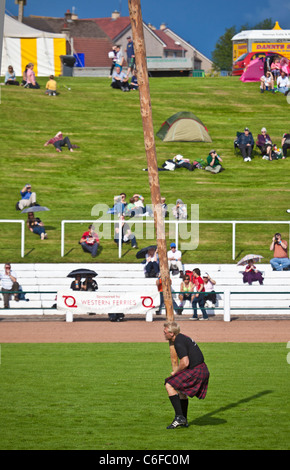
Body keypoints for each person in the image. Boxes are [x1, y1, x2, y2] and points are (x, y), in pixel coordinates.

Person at [163, 321, 210, 429]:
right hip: (201, 369)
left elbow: (185, 362)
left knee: (169, 384)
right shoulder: (182, 337)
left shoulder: (178, 342)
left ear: (171, 333)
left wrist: (176, 372)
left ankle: (179, 417)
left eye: (165, 332)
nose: (164, 333)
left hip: (197, 371)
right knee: (180, 390)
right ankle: (183, 419)